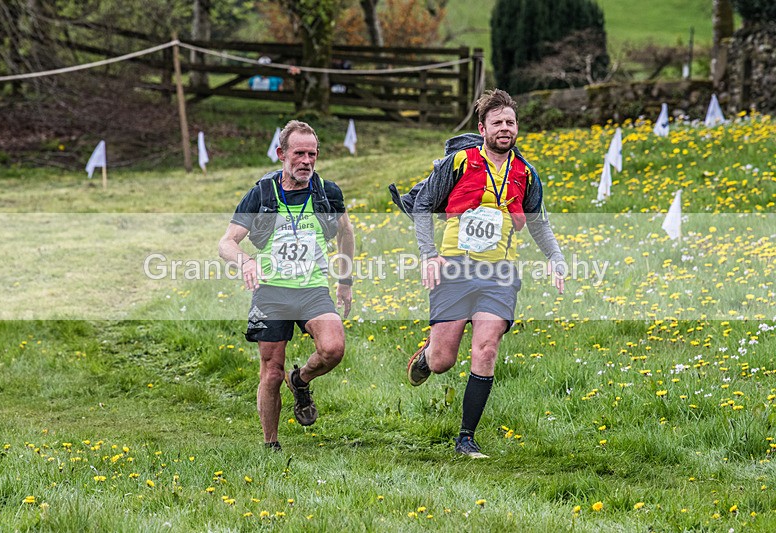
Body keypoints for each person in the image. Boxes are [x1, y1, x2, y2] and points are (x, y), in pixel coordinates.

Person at [390, 89, 565, 458]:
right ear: (482, 128)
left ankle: (466, 438)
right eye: (498, 122)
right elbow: (422, 204)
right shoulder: (459, 162)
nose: (505, 128)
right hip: (454, 268)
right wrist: (428, 255)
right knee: (443, 361)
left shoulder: (525, 173)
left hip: (499, 274)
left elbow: (538, 223)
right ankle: (426, 355)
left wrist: (555, 257)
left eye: (511, 122)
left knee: (486, 349)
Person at [219, 120, 354, 451]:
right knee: (271, 372)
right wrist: (246, 261)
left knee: (333, 348)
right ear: (282, 154)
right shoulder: (262, 194)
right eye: (299, 153)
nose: (306, 161)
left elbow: (346, 232)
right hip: (272, 293)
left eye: (312, 154)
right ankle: (271, 444)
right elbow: (226, 243)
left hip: (312, 290)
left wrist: (345, 281)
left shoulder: (327, 193)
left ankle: (302, 380)